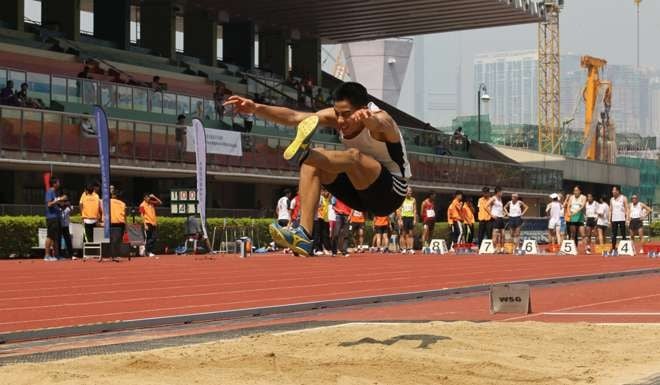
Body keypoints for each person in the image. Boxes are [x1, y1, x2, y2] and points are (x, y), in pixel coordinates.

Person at [225, 82, 411, 257]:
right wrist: (256, 108)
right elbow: (294, 117)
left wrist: (369, 121)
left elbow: (381, 124)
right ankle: (304, 235)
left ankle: (306, 153)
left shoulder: (382, 119)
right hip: (360, 194)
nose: (339, 120)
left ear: (362, 109)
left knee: (354, 156)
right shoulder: (338, 117)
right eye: (337, 113)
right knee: (312, 164)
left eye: (345, 114)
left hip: (391, 193)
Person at [44, 178, 62, 261]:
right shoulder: (50, 191)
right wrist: (59, 199)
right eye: (58, 182)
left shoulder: (54, 193)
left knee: (55, 237)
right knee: (50, 236)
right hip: (51, 217)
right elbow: (49, 204)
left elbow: (55, 204)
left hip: (56, 217)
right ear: (54, 184)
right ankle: (47, 255)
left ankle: (56, 256)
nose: (59, 183)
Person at [139, 193, 162, 257]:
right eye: (147, 197)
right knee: (149, 238)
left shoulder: (151, 202)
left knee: (154, 237)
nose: (148, 198)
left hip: (153, 223)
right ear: (144, 198)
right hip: (147, 222)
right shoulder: (142, 205)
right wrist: (145, 224)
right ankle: (148, 252)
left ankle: (148, 251)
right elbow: (142, 215)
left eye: (149, 197)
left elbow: (160, 202)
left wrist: (154, 196)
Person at [398, 187, 417, 254]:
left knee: (411, 234)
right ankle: (403, 249)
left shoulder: (413, 200)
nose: (410, 192)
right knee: (403, 234)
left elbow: (414, 210)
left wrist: (414, 219)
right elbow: (399, 210)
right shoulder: (402, 199)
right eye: (408, 191)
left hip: (411, 217)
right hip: (404, 217)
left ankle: (410, 248)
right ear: (406, 192)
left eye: (411, 191)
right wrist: (400, 220)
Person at [109, 189, 127, 261]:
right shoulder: (123, 203)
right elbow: (125, 215)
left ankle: (114, 255)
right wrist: (125, 225)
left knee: (114, 240)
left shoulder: (109, 202)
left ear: (113, 195)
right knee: (118, 240)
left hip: (113, 222)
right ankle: (115, 255)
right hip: (121, 223)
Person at [487, 186, 505, 253]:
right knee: (495, 235)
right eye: (501, 192)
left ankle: (502, 249)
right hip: (496, 218)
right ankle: (494, 249)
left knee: (503, 235)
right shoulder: (493, 198)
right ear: (498, 192)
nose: (502, 193)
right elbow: (486, 206)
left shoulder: (500, 199)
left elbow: (500, 208)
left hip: (501, 218)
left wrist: (503, 213)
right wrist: (491, 215)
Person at [59, 194, 74, 259]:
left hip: (66, 226)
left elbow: (72, 210)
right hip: (59, 226)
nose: (63, 202)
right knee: (58, 240)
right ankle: (59, 254)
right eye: (62, 201)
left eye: (65, 201)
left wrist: (69, 205)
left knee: (68, 239)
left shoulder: (68, 207)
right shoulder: (58, 207)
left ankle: (70, 254)